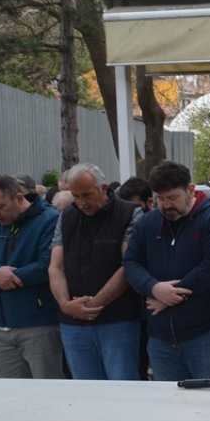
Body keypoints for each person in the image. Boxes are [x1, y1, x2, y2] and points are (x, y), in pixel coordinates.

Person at [123, 161, 210, 381]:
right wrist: (153, 287)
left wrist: (172, 295)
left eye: (172, 197)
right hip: (160, 338)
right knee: (171, 408)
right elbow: (131, 263)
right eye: (160, 198)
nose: (166, 205)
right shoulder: (148, 223)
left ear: (190, 190)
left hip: (205, 334)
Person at [48, 163, 142, 380]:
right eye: (76, 196)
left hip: (117, 319)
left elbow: (128, 265)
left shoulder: (129, 213)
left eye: (87, 195)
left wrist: (93, 305)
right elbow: (56, 266)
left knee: (123, 385)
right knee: (86, 392)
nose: (82, 202)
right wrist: (65, 304)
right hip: (73, 320)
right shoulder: (67, 215)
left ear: (104, 188)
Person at [0, 174, 64, 379]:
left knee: (49, 391)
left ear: (19, 198)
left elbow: (46, 265)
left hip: (39, 323)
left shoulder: (50, 220)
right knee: (11, 396)